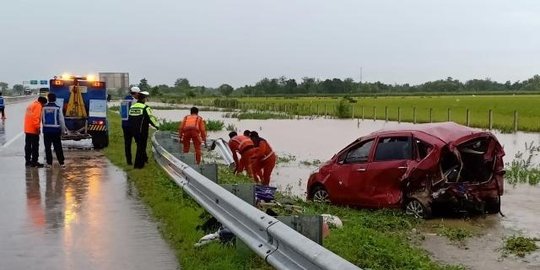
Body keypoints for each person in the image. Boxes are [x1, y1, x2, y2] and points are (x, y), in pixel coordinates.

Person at [128, 91, 159, 169]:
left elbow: (130, 119)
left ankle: (144, 160)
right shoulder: (145, 108)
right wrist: (158, 126)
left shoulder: (132, 107)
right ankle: (138, 165)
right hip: (142, 131)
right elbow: (151, 119)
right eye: (146, 98)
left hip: (133, 131)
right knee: (141, 147)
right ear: (144, 99)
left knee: (139, 146)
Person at [42, 93, 66, 168]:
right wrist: (63, 131)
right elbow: (61, 120)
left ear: (48, 99)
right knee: (58, 147)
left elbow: (42, 119)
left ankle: (49, 163)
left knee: (47, 147)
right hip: (56, 130)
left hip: (46, 130)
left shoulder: (43, 108)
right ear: (55, 99)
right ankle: (61, 163)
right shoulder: (58, 108)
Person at [24, 96, 47, 167]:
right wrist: (38, 127)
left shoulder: (31, 105)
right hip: (33, 129)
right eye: (44, 105)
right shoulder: (38, 106)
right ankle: (34, 162)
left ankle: (28, 161)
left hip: (27, 129)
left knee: (28, 146)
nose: (43, 106)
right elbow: (36, 118)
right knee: (35, 146)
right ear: (42, 103)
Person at [120, 87, 140, 165]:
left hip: (125, 125)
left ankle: (129, 162)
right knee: (139, 143)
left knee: (127, 144)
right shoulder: (136, 102)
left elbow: (121, 112)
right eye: (138, 94)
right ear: (136, 93)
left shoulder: (124, 100)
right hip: (133, 125)